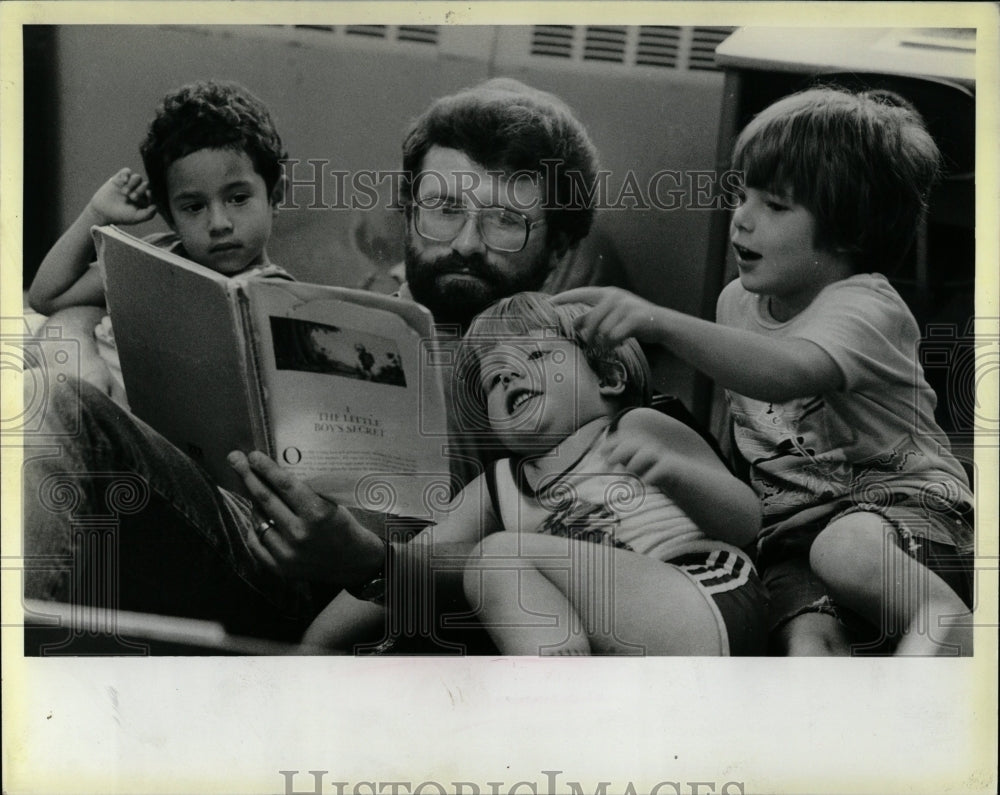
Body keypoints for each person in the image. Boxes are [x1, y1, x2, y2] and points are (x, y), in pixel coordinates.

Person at [23, 78, 607, 647]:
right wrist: (72, 348)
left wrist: (366, 562)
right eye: (443, 208)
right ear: (408, 213)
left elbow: (528, 573)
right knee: (45, 396)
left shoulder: (561, 380)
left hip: (319, 588)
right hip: (226, 518)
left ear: (557, 250)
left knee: (55, 408)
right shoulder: (341, 318)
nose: (465, 242)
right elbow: (65, 305)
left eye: (506, 221)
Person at [555, 87, 975, 656]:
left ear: (848, 232)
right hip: (794, 537)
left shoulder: (865, 306)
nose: (742, 221)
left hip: (908, 513)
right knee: (804, 648)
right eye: (742, 195)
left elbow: (784, 371)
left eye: (775, 206)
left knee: (845, 551)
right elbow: (751, 438)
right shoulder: (736, 302)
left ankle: (948, 620)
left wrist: (660, 322)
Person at [301, 293, 767, 655]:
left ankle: (545, 699)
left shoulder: (632, 427)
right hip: (621, 645)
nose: (508, 377)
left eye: (535, 355)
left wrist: (679, 473)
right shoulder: (499, 485)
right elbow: (413, 561)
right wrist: (316, 642)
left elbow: (747, 523)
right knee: (489, 563)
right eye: (493, 379)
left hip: (704, 600)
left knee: (498, 556)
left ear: (607, 375)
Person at [27, 80, 291, 406]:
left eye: (238, 198)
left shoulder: (281, 299)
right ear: (169, 215)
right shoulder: (156, 257)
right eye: (194, 207)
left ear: (275, 197)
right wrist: (94, 215)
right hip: (112, 416)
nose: (219, 224)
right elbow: (47, 296)